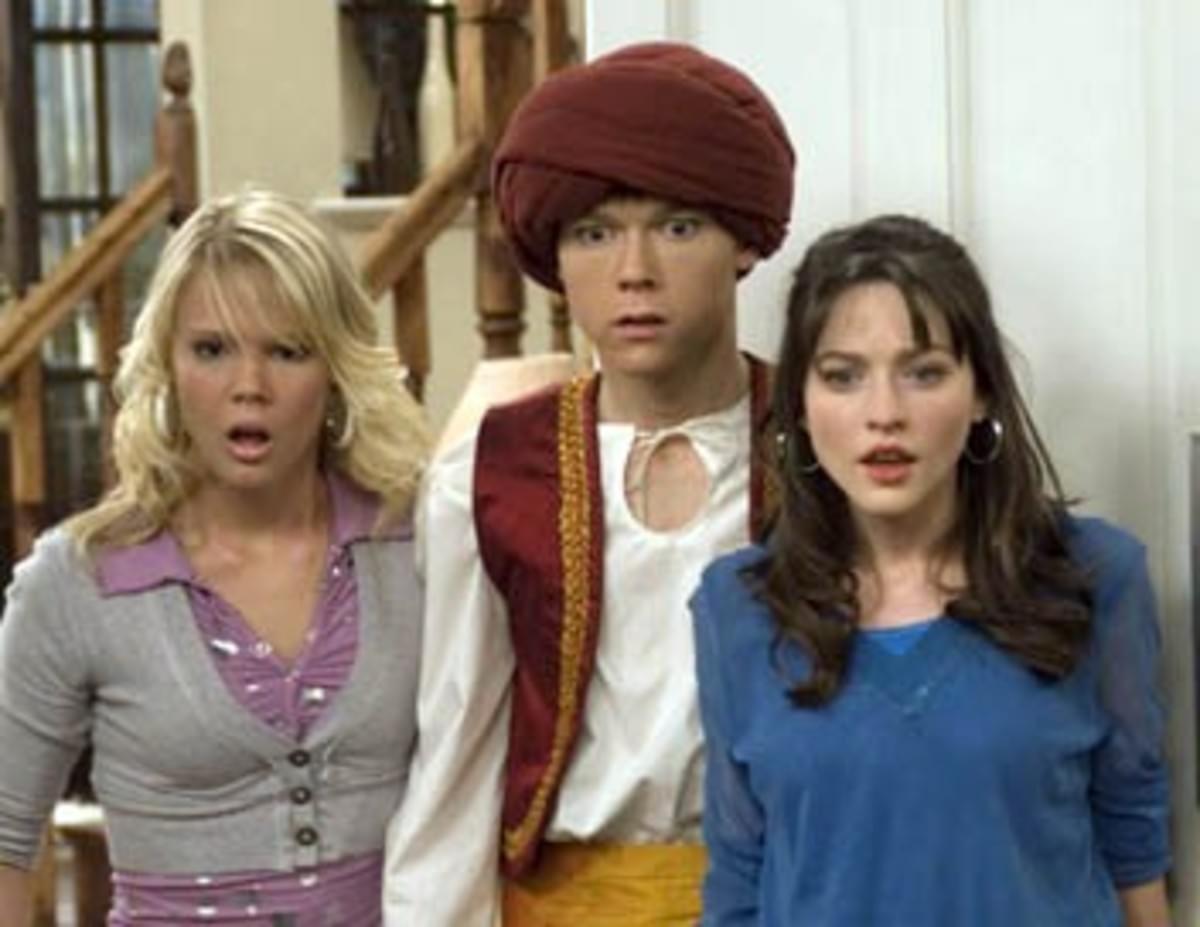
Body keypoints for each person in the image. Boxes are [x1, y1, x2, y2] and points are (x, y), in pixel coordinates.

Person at [383, 41, 796, 926]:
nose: (633, 270)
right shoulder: (492, 474)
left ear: (742, 242)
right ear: (556, 258)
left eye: (678, 227)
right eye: (594, 233)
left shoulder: (823, 448)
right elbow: (457, 752)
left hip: (788, 899)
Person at [691, 214, 1172, 926]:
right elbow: (738, 874)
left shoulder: (1095, 576)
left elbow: (1133, 837)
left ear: (981, 392)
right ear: (800, 404)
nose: (885, 413)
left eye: (924, 373)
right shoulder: (737, 608)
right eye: (843, 377)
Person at [0, 189, 429, 926]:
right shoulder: (77, 583)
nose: (248, 388)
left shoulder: (414, 548)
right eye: (211, 350)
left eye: (287, 351)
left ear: (335, 369)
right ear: (167, 365)